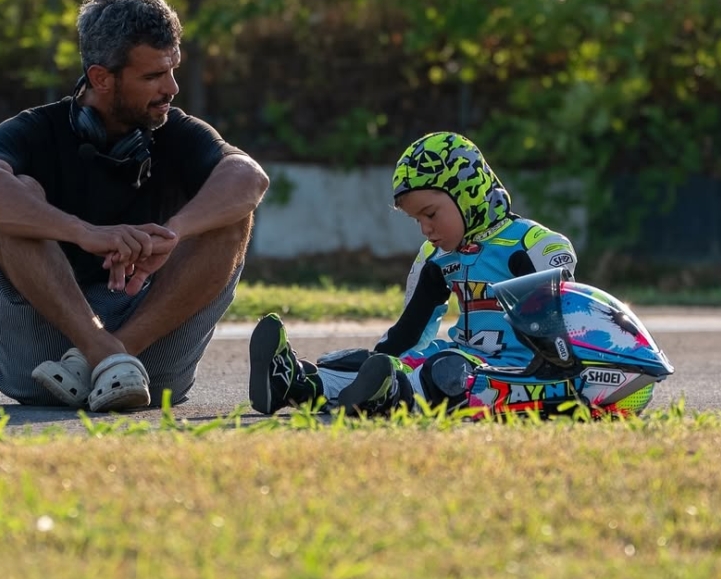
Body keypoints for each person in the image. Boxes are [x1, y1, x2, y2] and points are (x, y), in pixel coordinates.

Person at [0, 0, 269, 412]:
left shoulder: (176, 129)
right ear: (101, 78)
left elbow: (249, 178)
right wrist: (84, 233)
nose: (172, 88)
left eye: (173, 70)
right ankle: (102, 352)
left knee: (230, 213)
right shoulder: (33, 130)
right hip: (44, 364)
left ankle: (105, 357)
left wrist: (172, 233)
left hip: (147, 351)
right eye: (154, 75)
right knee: (16, 196)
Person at [247, 130, 578, 417]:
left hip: (514, 373)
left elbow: (565, 328)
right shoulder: (436, 257)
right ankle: (295, 382)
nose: (425, 229)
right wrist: (373, 363)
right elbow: (408, 331)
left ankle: (392, 395)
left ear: (468, 193)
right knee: (375, 362)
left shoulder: (532, 244)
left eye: (430, 214)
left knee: (446, 369)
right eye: (416, 220)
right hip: (461, 357)